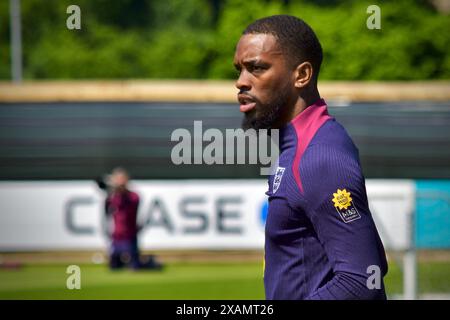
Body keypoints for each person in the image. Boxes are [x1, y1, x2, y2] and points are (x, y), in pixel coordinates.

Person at [233, 15, 388, 300]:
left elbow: (363, 280)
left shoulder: (321, 156)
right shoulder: (297, 145)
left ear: (302, 75)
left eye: (256, 68)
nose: (241, 82)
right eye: (239, 70)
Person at [102, 167, 162, 270]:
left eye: (122, 179)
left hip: (130, 237)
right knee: (114, 266)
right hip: (116, 237)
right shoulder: (112, 197)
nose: (120, 182)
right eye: (118, 179)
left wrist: (119, 191)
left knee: (134, 266)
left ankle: (149, 262)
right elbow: (106, 212)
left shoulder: (133, 196)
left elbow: (129, 204)